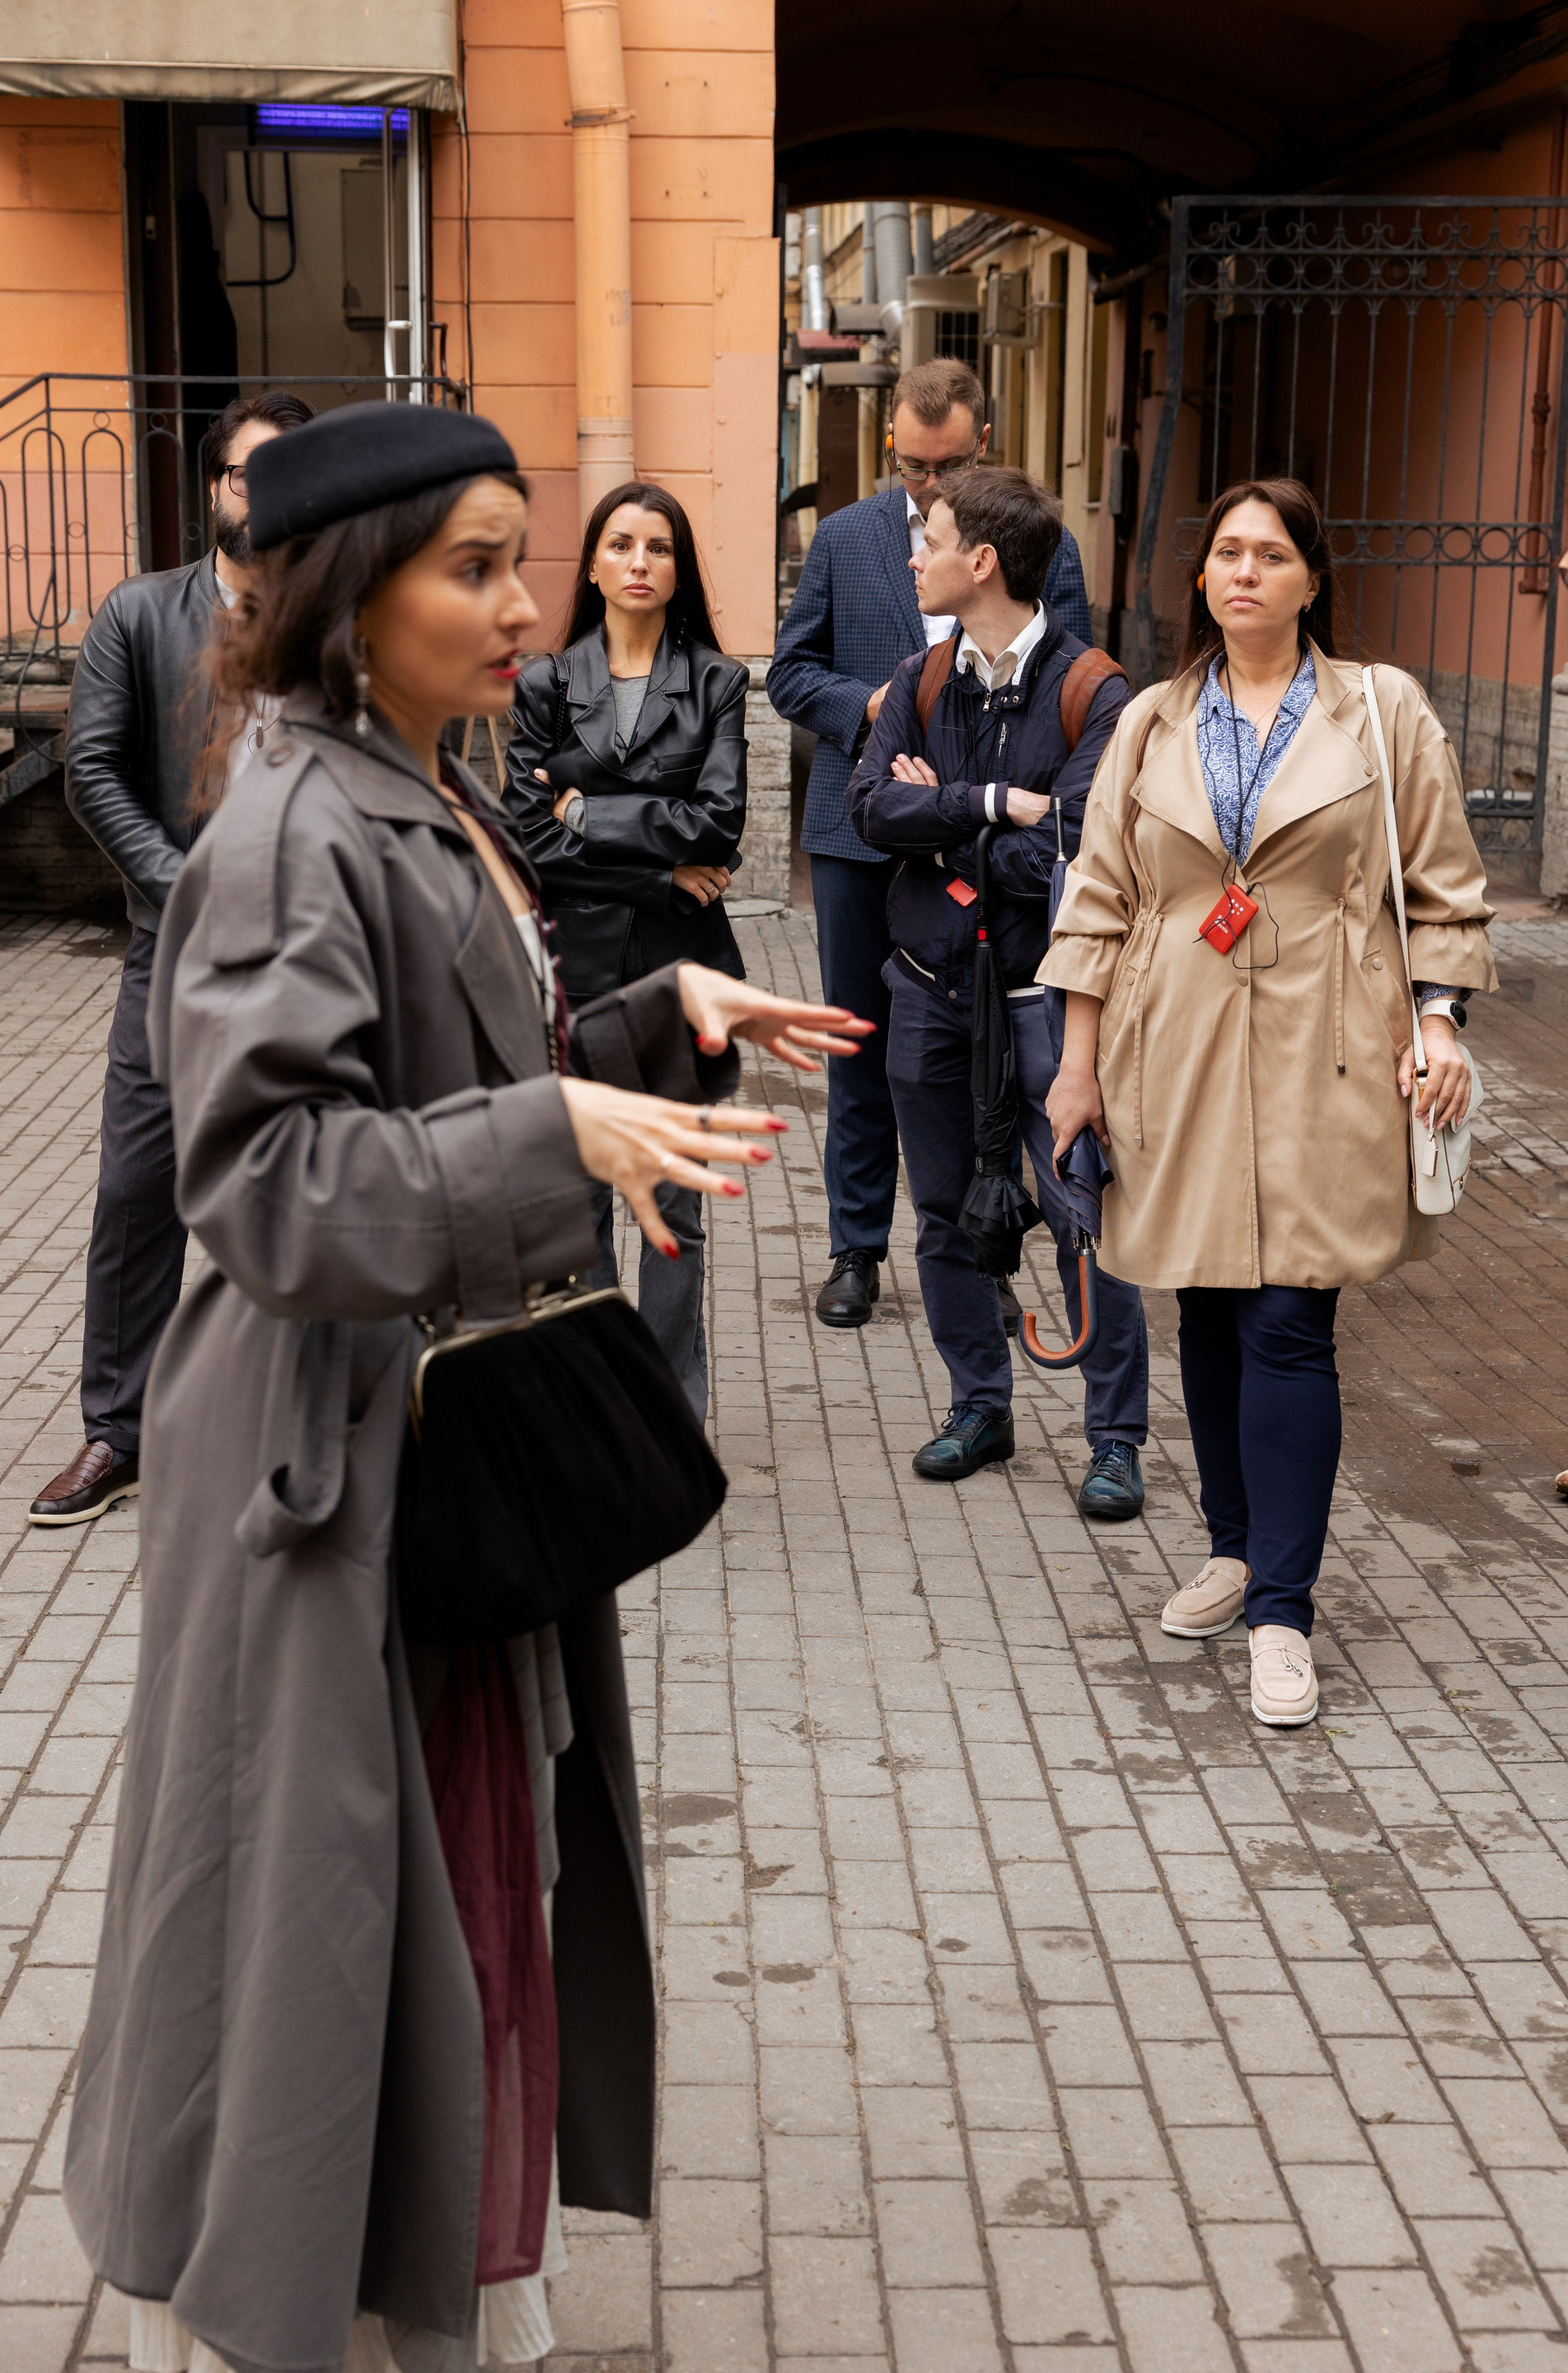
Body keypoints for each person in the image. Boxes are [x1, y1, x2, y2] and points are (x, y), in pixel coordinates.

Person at [61, 400, 870, 2373]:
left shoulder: (409, 787)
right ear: (356, 596)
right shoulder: (287, 825)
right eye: (478, 567)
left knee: (432, 1912)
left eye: (526, 562)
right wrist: (550, 1134)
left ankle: (404, 2287)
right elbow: (262, 1180)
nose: (526, 606)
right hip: (322, 1476)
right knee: (321, 1931)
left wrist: (649, 1021)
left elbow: (457, 1078)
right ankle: (302, 2307)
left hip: (414, 1460)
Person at [1041, 477, 1494, 1726]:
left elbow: (1445, 889)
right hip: (1173, 1041)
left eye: (1271, 554)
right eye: (1227, 552)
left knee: (1291, 1317)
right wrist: (1076, 1066)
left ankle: (1283, 1613)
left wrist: (1439, 1020)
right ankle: (1234, 1552)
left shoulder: (1380, 710)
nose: (1245, 571)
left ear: (1310, 580)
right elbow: (1098, 898)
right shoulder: (1151, 720)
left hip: (1328, 1046)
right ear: (1203, 579)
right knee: (1206, 1303)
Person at [29, 388, 315, 1528]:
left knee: (298, 1190)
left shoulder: (340, 623)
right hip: (178, 951)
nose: (268, 496)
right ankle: (120, 1429)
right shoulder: (139, 614)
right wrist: (185, 887)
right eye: (251, 474)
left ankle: (293, 1428)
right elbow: (92, 771)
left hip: (311, 958)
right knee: (138, 1190)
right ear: (215, 487)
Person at [768, 358, 1093, 1331]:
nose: (928, 484)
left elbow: (1066, 675)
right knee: (859, 1043)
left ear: (982, 443)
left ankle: (982, 1251)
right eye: (912, 465)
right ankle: (856, 1248)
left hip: (986, 845)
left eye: (947, 466)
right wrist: (873, 706)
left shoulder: (1040, 539)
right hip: (861, 836)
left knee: (982, 1047)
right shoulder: (844, 537)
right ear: (891, 446)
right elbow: (790, 673)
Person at [848, 466, 1149, 1500]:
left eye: (929, 541)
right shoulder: (921, 678)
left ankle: (1115, 1438)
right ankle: (980, 1407)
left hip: (1044, 1008)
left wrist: (942, 829)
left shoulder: (1094, 693)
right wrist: (989, 804)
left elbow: (1074, 853)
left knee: (1082, 1216)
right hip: (927, 991)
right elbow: (868, 810)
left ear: (980, 562)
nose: (912, 558)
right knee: (941, 1213)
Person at [504, 481, 747, 1420]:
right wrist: (659, 870)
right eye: (621, 544)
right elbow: (528, 839)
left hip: (681, 975)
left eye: (659, 547)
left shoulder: (718, 683)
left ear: (678, 569)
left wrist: (588, 813)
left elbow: (718, 824)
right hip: (576, 969)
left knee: (672, 1198)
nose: (640, 562)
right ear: (595, 565)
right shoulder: (545, 685)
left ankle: (672, 1402)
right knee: (584, 1196)